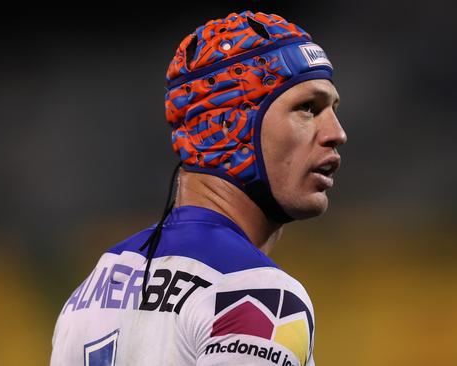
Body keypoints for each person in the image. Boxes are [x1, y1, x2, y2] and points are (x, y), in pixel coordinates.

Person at [50, 10, 347, 366]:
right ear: (226, 125)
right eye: (307, 108)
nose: (336, 133)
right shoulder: (257, 296)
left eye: (332, 109)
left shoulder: (91, 289)